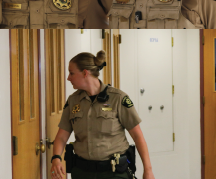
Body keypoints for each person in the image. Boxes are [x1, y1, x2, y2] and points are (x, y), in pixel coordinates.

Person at [51, 51, 154, 179]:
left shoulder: (118, 98)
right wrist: (56, 158)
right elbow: (61, 137)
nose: (68, 78)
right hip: (82, 172)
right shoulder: (73, 101)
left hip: (114, 173)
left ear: (85, 73)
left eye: (71, 73)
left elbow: (138, 137)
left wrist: (148, 170)